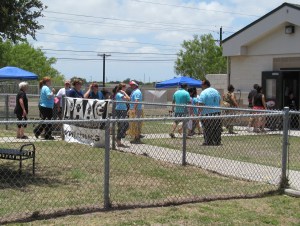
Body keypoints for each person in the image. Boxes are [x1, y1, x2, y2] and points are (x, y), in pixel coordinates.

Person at [198, 80, 222, 146]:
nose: (201, 86)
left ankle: (208, 141)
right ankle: (217, 141)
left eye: (202, 84)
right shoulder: (216, 91)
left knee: (207, 128)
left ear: (205, 85)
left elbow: (201, 104)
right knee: (216, 128)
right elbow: (219, 100)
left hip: (207, 113)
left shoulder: (203, 92)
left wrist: (199, 113)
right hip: (217, 112)